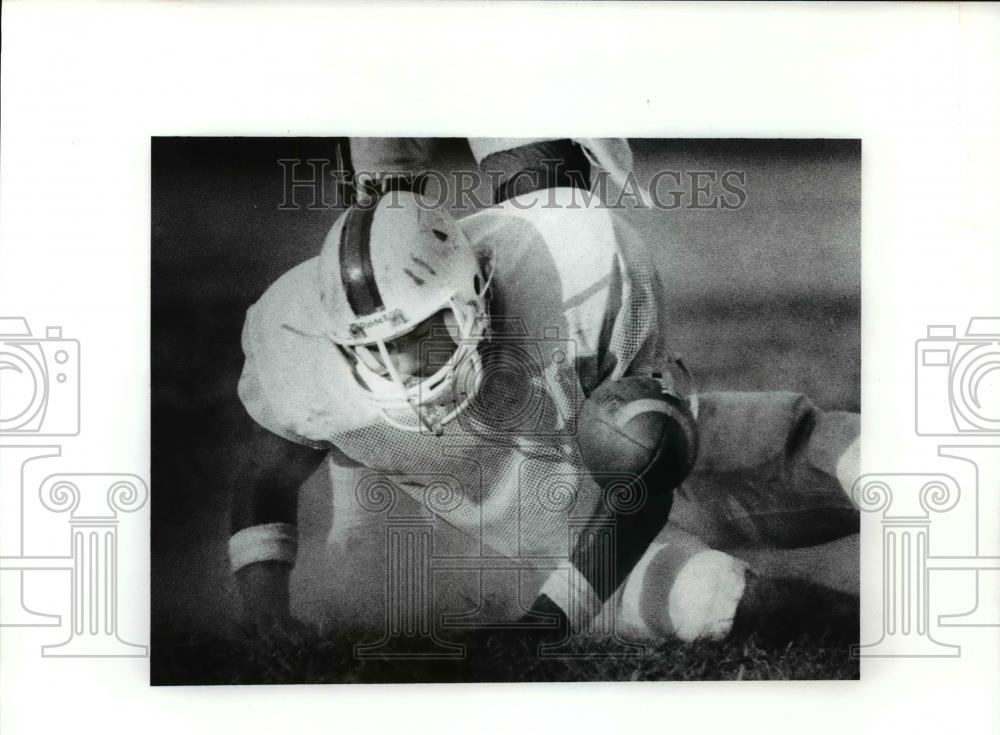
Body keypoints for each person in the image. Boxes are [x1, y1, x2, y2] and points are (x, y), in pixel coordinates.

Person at [230, 142, 859, 654]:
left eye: (425, 335)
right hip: (556, 536)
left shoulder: (567, 264)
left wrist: (541, 628)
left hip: (655, 456)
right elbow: (266, 474)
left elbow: (647, 475)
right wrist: (265, 609)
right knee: (728, 604)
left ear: (476, 290)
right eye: (378, 349)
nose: (403, 370)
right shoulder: (300, 353)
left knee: (859, 457)